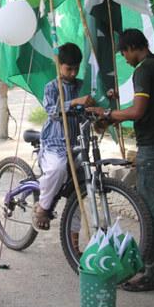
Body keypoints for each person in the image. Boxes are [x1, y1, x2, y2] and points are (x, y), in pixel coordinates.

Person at [87, 28, 154, 292]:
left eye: (124, 53)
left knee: (148, 213)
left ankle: (152, 274)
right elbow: (150, 106)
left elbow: (138, 111)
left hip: (153, 148)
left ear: (132, 48)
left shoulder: (143, 70)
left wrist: (109, 114)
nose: (124, 59)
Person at [32, 42, 93, 231]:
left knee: (79, 192)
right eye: (69, 69)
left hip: (79, 144)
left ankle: (74, 244)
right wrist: (74, 102)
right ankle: (42, 208)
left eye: (76, 68)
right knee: (58, 169)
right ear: (58, 65)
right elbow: (52, 112)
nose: (73, 73)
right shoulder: (52, 87)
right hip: (55, 143)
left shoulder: (83, 86)